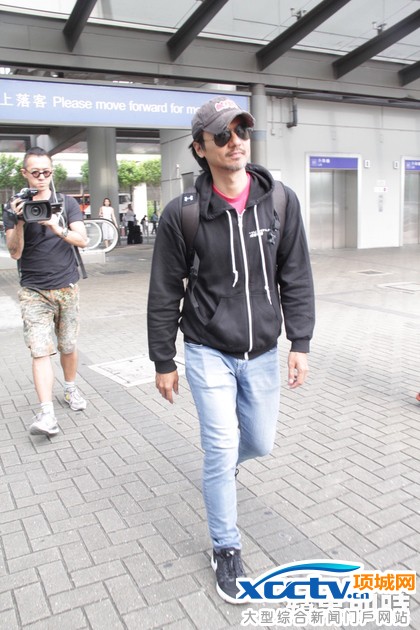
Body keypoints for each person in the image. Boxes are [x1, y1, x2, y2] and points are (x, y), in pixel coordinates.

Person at [147, 96, 315, 604]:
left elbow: (296, 274)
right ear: (200, 148)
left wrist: (300, 341)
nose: (235, 141)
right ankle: (226, 546)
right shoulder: (183, 213)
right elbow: (164, 290)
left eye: (241, 130)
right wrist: (163, 359)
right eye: (222, 135)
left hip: (262, 350)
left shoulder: (280, 200)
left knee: (258, 443)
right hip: (207, 349)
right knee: (220, 447)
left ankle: (222, 468)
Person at [3, 146, 89, 438]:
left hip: (66, 286)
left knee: (68, 346)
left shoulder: (66, 203)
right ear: (25, 173)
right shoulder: (13, 207)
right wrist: (19, 222)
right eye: (36, 172)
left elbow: (82, 240)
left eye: (47, 172)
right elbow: (15, 253)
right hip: (33, 291)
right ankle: (47, 413)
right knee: (40, 351)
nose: (41, 177)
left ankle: (70, 388)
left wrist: (55, 226)